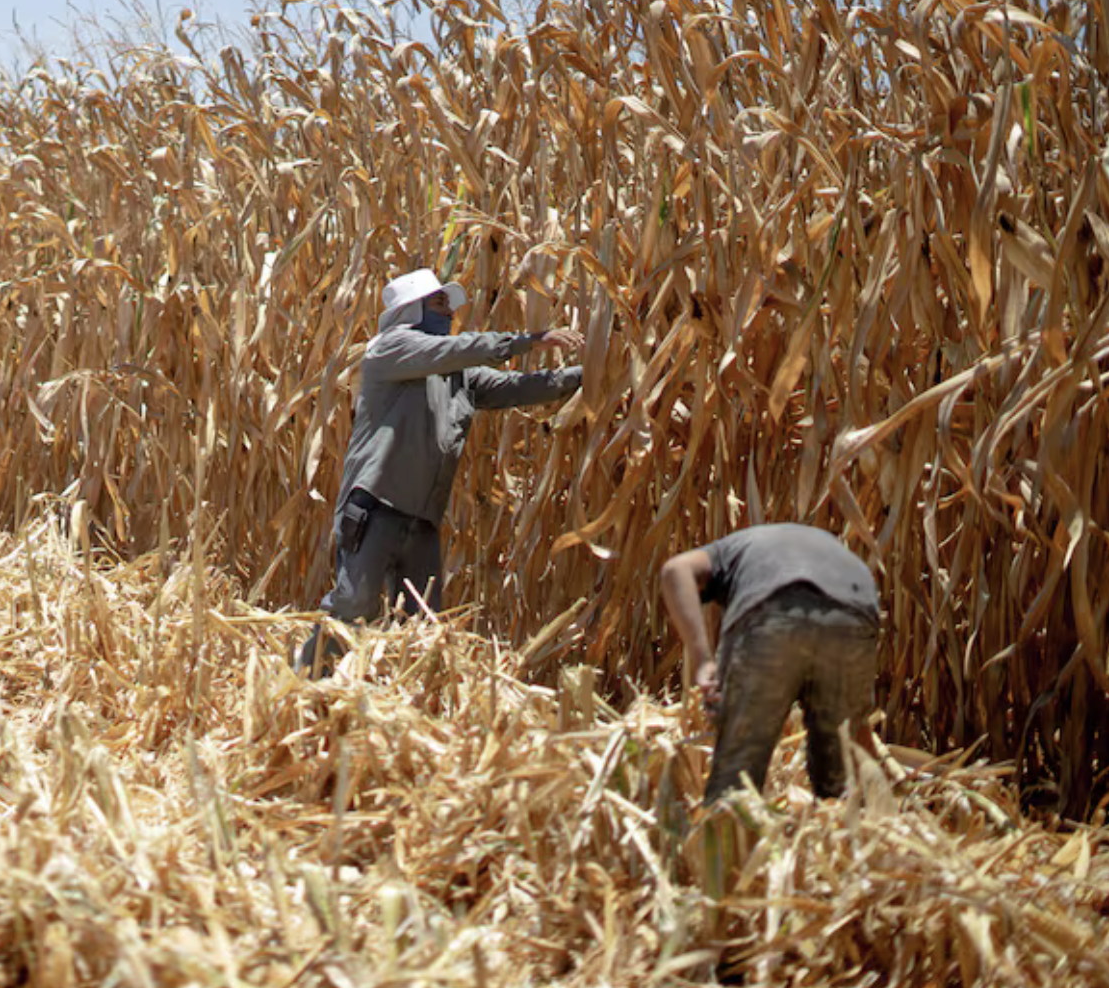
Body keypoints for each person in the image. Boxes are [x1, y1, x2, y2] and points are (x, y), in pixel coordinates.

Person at [293, 267, 586, 675]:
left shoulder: (458, 374)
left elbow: (520, 387)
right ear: (410, 310)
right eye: (438, 303)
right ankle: (304, 687)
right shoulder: (389, 349)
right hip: (376, 505)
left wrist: (588, 374)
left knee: (422, 625)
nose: (448, 314)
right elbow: (455, 350)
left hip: (423, 518)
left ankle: (407, 710)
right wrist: (531, 340)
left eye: (449, 307)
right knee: (353, 606)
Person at [657, 523, 882, 805]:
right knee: (840, 790)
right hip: (854, 615)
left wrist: (702, 659)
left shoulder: (727, 551)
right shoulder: (822, 547)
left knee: (734, 785)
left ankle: (727, 838)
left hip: (772, 612)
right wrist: (880, 785)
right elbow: (855, 726)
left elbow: (675, 570)